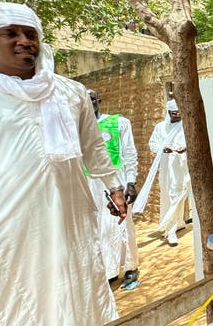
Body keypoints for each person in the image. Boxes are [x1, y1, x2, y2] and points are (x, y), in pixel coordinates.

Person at [0, 2, 127, 324]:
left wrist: (114, 187)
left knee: (77, 285)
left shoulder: (72, 93)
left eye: (31, 34)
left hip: (71, 214)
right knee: (21, 298)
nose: (24, 41)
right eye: (10, 33)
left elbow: (93, 146)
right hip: (12, 222)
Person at [87, 88, 141, 289]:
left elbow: (129, 152)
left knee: (122, 225)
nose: (88, 103)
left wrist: (131, 182)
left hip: (116, 181)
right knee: (99, 226)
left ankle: (130, 267)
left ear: (98, 101)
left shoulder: (118, 122)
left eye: (91, 99)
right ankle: (109, 269)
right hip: (90, 182)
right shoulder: (79, 128)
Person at [147, 99, 191, 246]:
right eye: (174, 113)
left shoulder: (186, 126)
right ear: (168, 113)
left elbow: (191, 143)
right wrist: (163, 148)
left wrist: (184, 148)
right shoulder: (160, 128)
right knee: (171, 195)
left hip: (183, 165)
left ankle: (174, 226)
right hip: (168, 167)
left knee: (181, 194)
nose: (177, 115)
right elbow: (152, 144)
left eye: (179, 112)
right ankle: (172, 228)